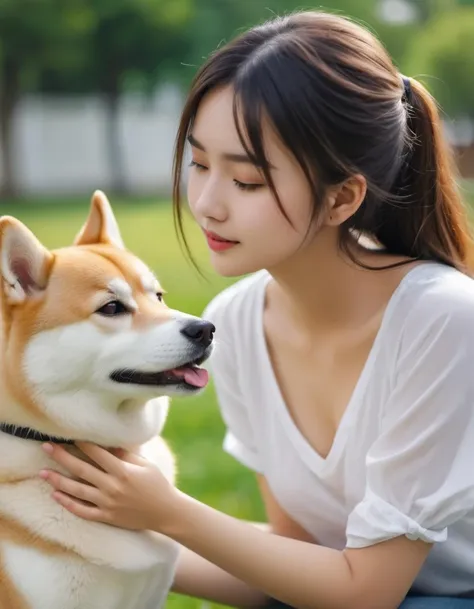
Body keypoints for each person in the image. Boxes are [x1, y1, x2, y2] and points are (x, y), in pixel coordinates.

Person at [38, 9, 474, 609]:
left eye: (246, 181)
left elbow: (368, 591)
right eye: (199, 163)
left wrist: (168, 512)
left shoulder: (442, 321)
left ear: (343, 196)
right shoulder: (238, 322)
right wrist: (85, 532)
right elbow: (297, 570)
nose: (209, 205)